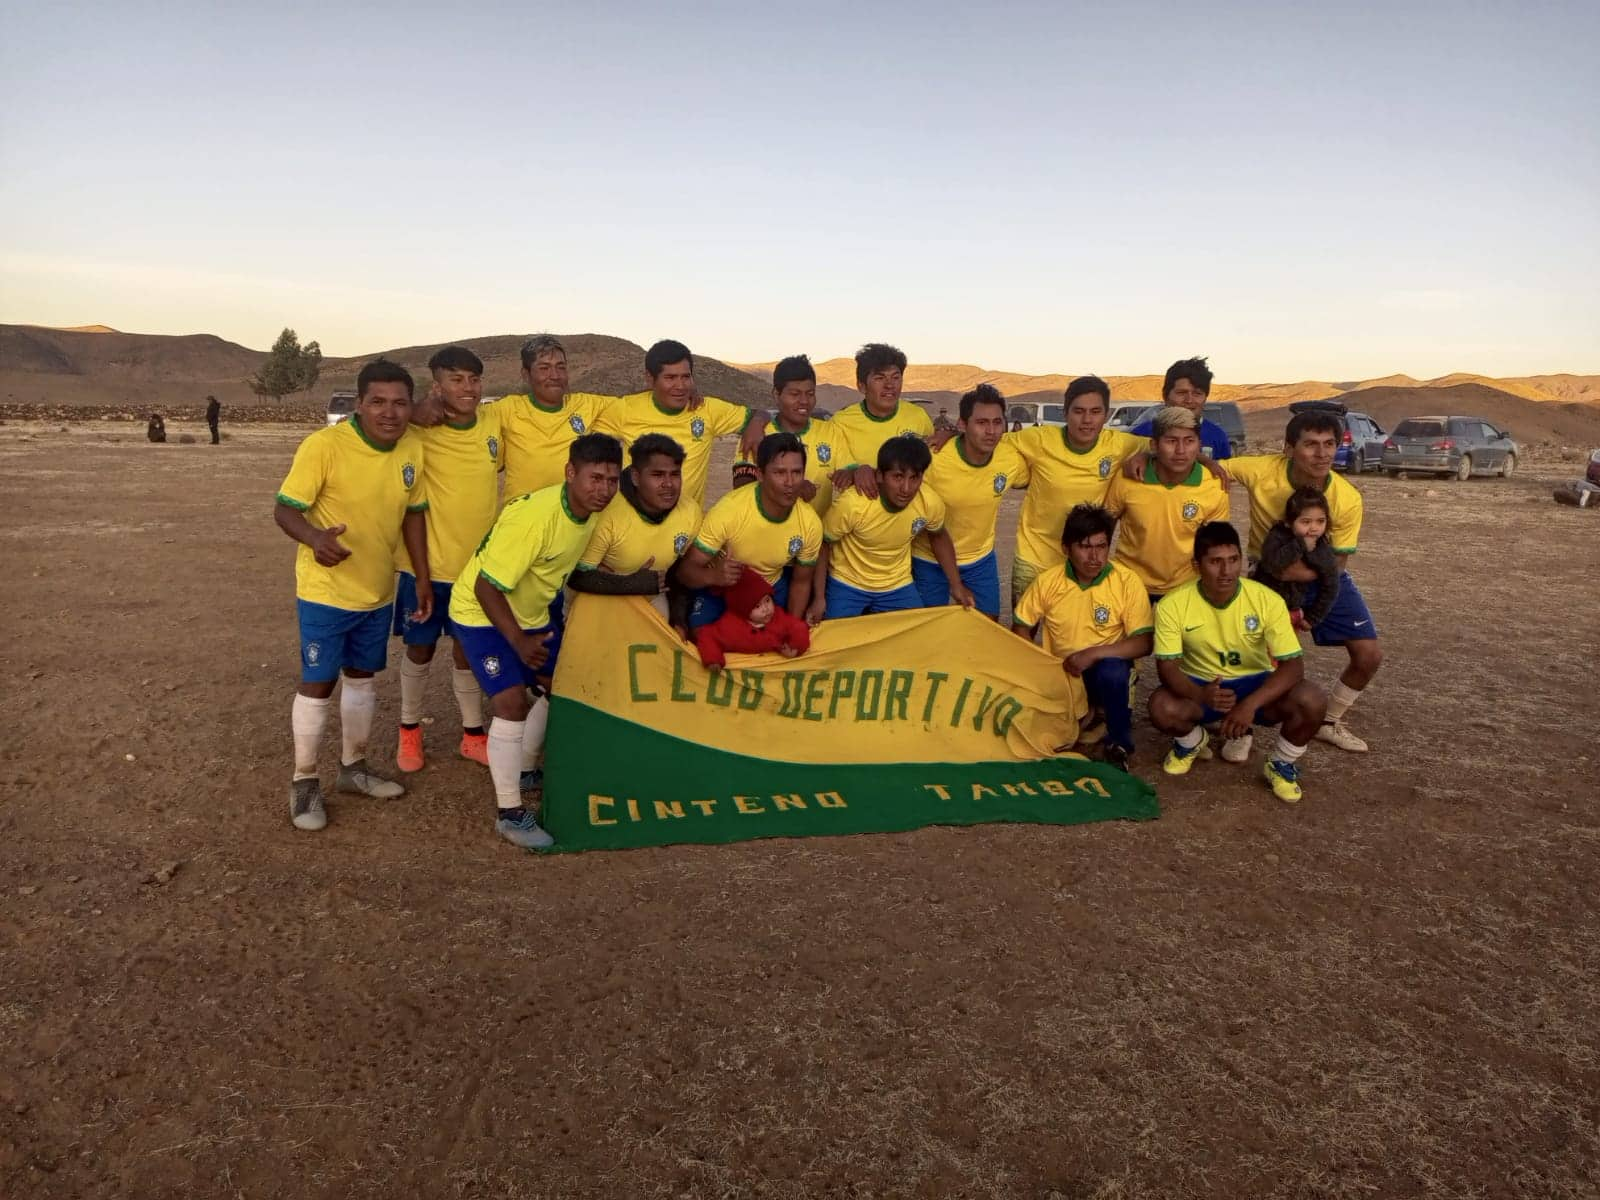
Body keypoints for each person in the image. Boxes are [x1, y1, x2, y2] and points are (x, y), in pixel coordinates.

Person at [274, 359, 430, 832]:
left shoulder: (413, 449)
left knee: (362, 680)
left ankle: (353, 769)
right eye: (378, 402)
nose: (390, 412)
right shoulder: (325, 446)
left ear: (411, 406)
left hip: (378, 590)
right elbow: (285, 509)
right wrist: (315, 538)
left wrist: (421, 577)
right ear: (359, 404)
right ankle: (304, 782)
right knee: (319, 683)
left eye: (400, 402)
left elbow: (413, 516)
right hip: (326, 592)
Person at [447, 433, 621, 848]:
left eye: (612, 480)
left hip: (532, 614)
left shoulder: (591, 510)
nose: (604, 489)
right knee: (511, 704)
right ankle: (509, 813)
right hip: (480, 614)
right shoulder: (536, 519)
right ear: (570, 473)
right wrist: (519, 642)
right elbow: (487, 589)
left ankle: (525, 767)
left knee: (563, 685)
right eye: (594, 478)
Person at [1225, 409, 1381, 753]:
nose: (1322, 453)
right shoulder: (1261, 470)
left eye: (1329, 444)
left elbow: (1339, 562)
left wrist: (1302, 578)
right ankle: (1243, 727)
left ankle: (1329, 721)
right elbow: (1213, 466)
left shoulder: (1347, 498)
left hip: (1322, 576)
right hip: (1268, 577)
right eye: (1310, 444)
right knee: (1253, 651)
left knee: (1368, 655)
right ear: (1288, 448)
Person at [1148, 522, 1326, 802]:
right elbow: (1166, 667)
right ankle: (1193, 741)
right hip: (1203, 685)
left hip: (1256, 684)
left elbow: (1293, 666)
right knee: (1161, 706)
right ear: (1197, 565)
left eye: (1233, 560)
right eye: (1215, 562)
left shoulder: (1266, 600)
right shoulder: (1173, 604)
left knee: (1312, 699)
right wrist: (1201, 695)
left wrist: (1249, 706)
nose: (1226, 571)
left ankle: (1281, 763)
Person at [393, 346, 500, 775]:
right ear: (437, 386)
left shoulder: (494, 422)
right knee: (419, 649)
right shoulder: (414, 431)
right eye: (456, 380)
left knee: (466, 651)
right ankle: (408, 731)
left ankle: (473, 736)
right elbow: (358, 425)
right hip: (424, 568)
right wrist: (414, 410)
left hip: (474, 570)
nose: (467, 388)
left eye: (473, 380)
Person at [1012, 504, 1153, 770]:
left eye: (1101, 546)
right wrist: (1038, 668)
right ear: (1066, 549)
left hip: (1105, 669)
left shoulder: (1126, 581)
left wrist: (1093, 653)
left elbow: (1144, 643)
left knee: (1112, 672)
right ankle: (1085, 715)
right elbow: (1021, 626)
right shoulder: (1048, 581)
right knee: (1042, 738)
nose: (1094, 556)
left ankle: (1119, 743)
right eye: (1085, 547)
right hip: (1063, 673)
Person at [1007, 375, 1145, 610]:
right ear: (1065, 413)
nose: (1087, 420)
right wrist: (949, 434)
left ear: (1106, 414)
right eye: (1079, 411)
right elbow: (985, 442)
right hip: (1034, 556)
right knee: (1022, 634)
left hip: (1082, 561)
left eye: (1095, 411)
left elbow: (1166, 446)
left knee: (1073, 634)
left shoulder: (1120, 445)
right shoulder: (1039, 439)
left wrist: (1144, 455)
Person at [812, 436, 973, 620]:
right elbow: (823, 544)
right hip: (848, 583)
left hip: (897, 585)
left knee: (917, 634)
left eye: (914, 478)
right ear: (879, 475)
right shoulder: (852, 504)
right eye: (898, 477)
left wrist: (956, 584)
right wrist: (819, 598)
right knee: (835, 639)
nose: (906, 488)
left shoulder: (929, 502)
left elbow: (938, 536)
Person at [596, 339, 766, 507]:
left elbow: (760, 414)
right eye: (670, 377)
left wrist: (756, 424)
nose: (680, 386)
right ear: (650, 378)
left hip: (686, 527)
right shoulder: (625, 409)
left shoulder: (707, 410)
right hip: (634, 524)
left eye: (686, 377)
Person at [679, 432, 823, 627]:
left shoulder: (810, 523)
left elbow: (801, 582)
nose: (789, 482)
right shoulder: (729, 510)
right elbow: (685, 571)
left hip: (770, 587)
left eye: (796, 472)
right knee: (701, 635)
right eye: (779, 473)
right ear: (760, 474)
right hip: (726, 586)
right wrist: (714, 576)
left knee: (782, 640)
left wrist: (792, 627)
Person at [911, 383, 1026, 619]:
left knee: (988, 624)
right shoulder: (934, 458)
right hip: (928, 559)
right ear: (963, 424)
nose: (991, 431)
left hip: (979, 559)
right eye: (982, 423)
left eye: (997, 422)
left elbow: (1038, 479)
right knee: (929, 629)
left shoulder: (1010, 459)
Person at [1102, 405, 1231, 603]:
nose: (1180, 451)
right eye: (1171, 441)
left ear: (1199, 445)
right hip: (1130, 584)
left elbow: (1215, 547)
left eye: (1189, 441)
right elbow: (1105, 527)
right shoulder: (1128, 479)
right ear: (1154, 445)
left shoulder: (1213, 486)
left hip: (1185, 589)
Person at [569, 433, 702, 623]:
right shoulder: (606, 510)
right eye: (657, 475)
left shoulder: (690, 512)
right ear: (636, 477)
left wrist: (679, 621)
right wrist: (632, 583)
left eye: (675, 474)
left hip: (649, 593)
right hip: (596, 593)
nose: (668, 484)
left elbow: (676, 573)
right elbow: (577, 577)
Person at [827, 343, 934, 501]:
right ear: (862, 386)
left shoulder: (918, 416)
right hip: (861, 517)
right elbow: (836, 471)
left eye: (895, 377)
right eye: (880, 378)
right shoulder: (841, 422)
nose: (890, 385)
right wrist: (855, 472)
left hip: (907, 514)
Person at [752, 354, 844, 514]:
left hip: (816, 535)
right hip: (768, 534)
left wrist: (855, 473)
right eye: (795, 394)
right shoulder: (757, 435)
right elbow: (742, 486)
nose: (804, 401)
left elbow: (849, 470)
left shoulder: (831, 431)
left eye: (810, 394)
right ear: (776, 394)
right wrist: (788, 488)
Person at [1251, 486, 1340, 631]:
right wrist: (1300, 545)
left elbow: (1331, 585)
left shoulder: (1322, 549)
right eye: (1306, 522)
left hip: (1290, 612)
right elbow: (1271, 564)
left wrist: (1312, 618)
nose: (1314, 528)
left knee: (1284, 652)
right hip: (1258, 606)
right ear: (1288, 522)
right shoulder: (1278, 536)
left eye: (1320, 521)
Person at [694, 567, 811, 668]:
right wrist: (713, 660)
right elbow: (707, 635)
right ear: (743, 610)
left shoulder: (778, 617)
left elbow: (798, 627)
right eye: (757, 606)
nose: (766, 609)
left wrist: (795, 647)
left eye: (767, 600)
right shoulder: (730, 627)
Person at [1128, 357, 1232, 461]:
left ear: (1205, 398)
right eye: (1181, 393)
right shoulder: (1141, 433)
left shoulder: (1218, 436)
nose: (1189, 400)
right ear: (1165, 396)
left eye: (1197, 393)